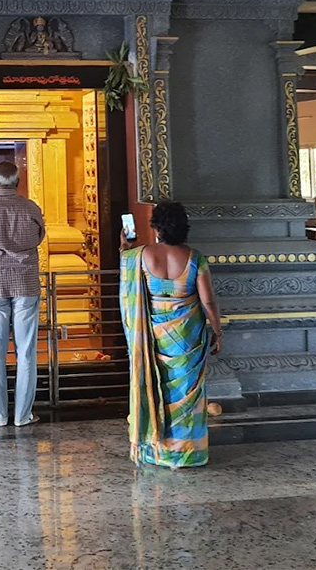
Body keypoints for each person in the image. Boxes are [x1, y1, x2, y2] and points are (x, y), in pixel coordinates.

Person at [120, 201, 222, 469]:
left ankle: (157, 450)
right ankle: (188, 453)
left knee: (157, 388)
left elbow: (128, 273)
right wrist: (218, 329)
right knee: (186, 392)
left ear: (157, 228)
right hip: (187, 336)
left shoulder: (139, 256)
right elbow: (208, 301)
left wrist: (125, 247)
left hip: (152, 336)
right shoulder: (194, 257)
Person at [0, 160, 46, 429]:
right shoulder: (31, 208)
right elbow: (39, 236)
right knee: (26, 352)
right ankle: (23, 414)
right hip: (25, 283)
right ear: (18, 181)